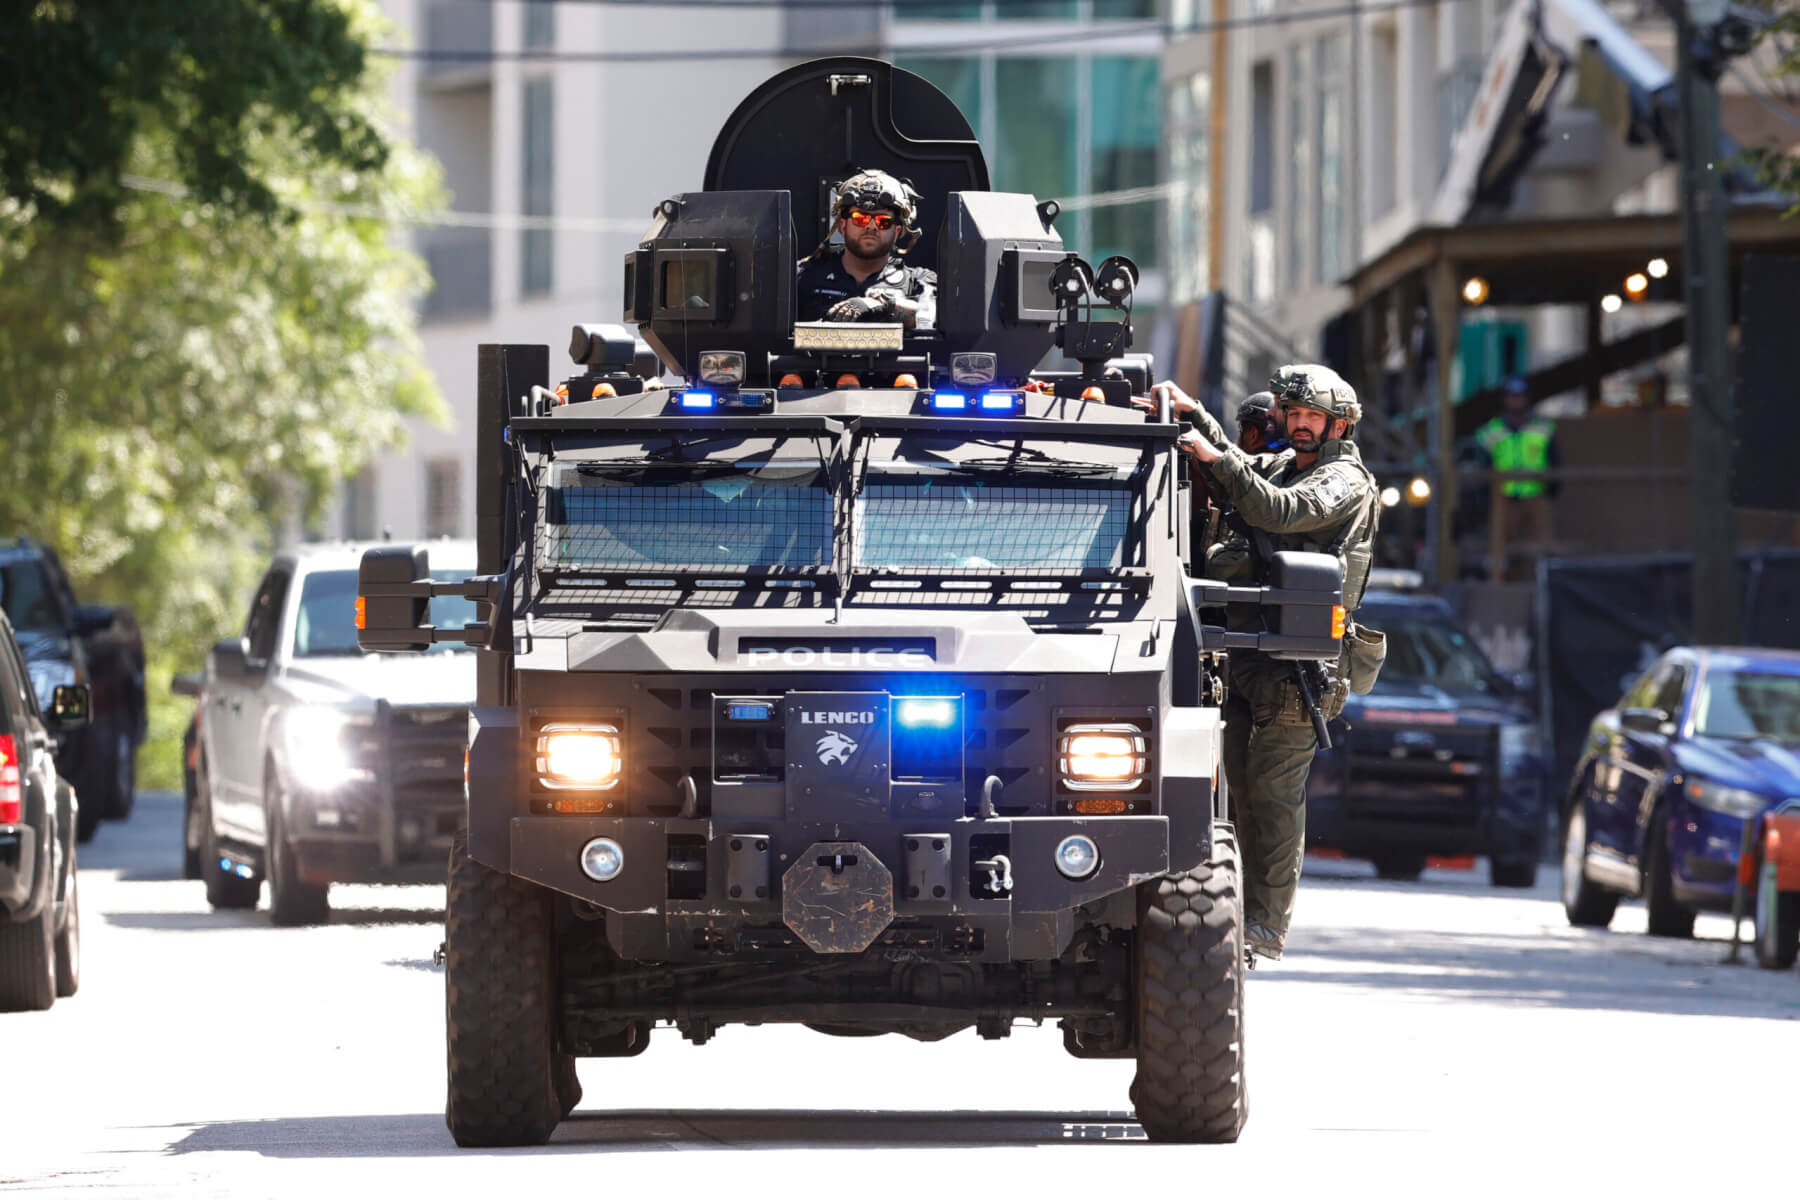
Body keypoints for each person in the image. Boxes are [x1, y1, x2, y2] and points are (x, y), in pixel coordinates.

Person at [1143, 366, 1379, 963]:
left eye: (1310, 417)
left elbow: (1278, 510)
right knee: (1236, 793)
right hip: (1249, 651)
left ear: (1338, 424)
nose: (1297, 425)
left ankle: (1266, 926)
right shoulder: (1282, 464)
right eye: (1291, 413)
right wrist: (1193, 413)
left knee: (1273, 797)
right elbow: (1238, 468)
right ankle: (1238, 913)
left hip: (1298, 667)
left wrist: (1213, 456)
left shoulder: (1342, 481)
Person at [795, 169, 936, 329]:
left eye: (883, 221)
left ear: (896, 232)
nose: (871, 226)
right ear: (843, 226)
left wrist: (884, 306)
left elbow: (938, 314)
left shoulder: (918, 281)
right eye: (860, 219)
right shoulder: (802, 277)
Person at [1471, 376, 1561, 581]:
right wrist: (1487, 497)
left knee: (1543, 546)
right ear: (1505, 399)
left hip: (1536, 496)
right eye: (1512, 396)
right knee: (1502, 548)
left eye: (1520, 396)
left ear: (1527, 398)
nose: (1516, 401)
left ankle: (1547, 585)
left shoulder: (1543, 428)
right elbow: (1484, 466)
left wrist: (1551, 491)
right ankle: (1502, 588)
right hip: (1504, 497)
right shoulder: (1492, 431)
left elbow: (1556, 462)